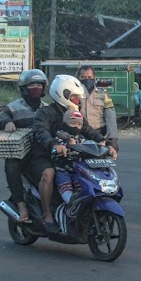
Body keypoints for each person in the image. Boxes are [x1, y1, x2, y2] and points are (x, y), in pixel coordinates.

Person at [31, 75, 116, 234]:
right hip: (44, 155)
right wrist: (53, 144)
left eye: (78, 97)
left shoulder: (74, 114)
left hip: (69, 157)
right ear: (62, 94)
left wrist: (106, 143)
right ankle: (48, 216)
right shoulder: (45, 112)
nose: (78, 100)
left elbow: (88, 131)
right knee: (49, 173)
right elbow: (41, 131)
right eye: (75, 97)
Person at [0, 69, 49, 222]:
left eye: (39, 85)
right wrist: (6, 122)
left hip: (41, 153)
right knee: (11, 166)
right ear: (24, 88)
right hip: (21, 154)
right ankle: (20, 203)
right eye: (32, 85)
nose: (36, 88)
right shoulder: (13, 107)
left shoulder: (46, 108)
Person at [76, 65, 119, 151]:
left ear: (94, 78)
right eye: (83, 77)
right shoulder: (74, 94)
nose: (86, 79)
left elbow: (110, 117)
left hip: (99, 135)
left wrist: (113, 139)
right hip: (79, 135)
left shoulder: (103, 94)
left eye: (89, 77)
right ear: (78, 78)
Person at [53, 110, 86, 204]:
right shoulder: (60, 136)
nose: (76, 126)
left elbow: (87, 147)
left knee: (83, 186)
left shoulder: (81, 138)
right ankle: (70, 202)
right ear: (65, 123)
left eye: (79, 124)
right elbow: (54, 148)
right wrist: (63, 146)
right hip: (63, 169)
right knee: (65, 187)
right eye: (73, 123)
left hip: (77, 170)